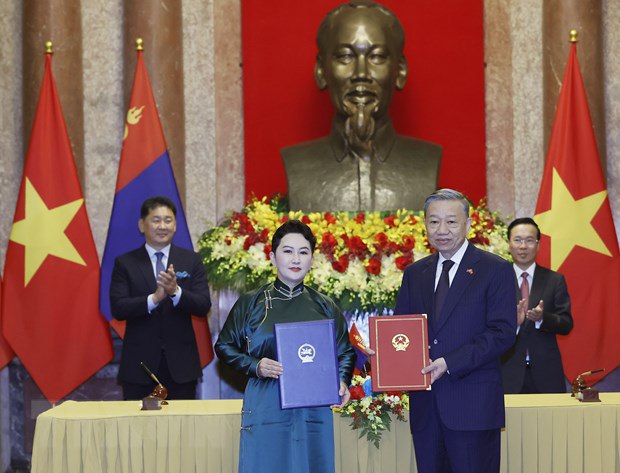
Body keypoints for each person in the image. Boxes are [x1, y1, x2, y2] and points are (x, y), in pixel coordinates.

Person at [215, 220, 355, 473]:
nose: (296, 259)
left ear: (312, 259)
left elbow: (344, 351)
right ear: (272, 257)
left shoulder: (325, 305)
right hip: (266, 399)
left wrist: (343, 381)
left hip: (314, 403)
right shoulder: (251, 302)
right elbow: (224, 346)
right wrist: (255, 365)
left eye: (303, 252)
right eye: (288, 251)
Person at [394, 188, 516, 473]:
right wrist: (388, 352)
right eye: (434, 221)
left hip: (472, 407)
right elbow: (402, 328)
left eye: (451, 221)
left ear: (468, 224)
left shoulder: (494, 269)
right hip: (426, 409)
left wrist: (449, 362)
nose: (442, 230)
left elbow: (502, 333)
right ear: (425, 225)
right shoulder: (415, 273)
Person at [282, 0, 441, 212]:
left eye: (377, 56)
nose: (361, 74)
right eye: (345, 56)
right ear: (321, 71)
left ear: (400, 71)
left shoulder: (427, 160)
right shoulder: (298, 164)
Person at [110, 196, 211, 400]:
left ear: (175, 225)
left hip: (181, 368)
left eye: (168, 220)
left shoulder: (191, 260)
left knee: (182, 421)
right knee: (137, 421)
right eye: (156, 220)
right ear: (142, 225)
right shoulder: (125, 262)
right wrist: (154, 299)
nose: (162, 226)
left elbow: (203, 305)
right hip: (139, 367)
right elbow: (118, 307)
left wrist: (175, 292)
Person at [501, 217, 573, 393]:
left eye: (529, 240)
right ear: (509, 244)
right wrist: (513, 323)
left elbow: (566, 324)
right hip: (507, 370)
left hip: (546, 372)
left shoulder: (554, 280)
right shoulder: (497, 280)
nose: (523, 246)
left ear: (538, 245)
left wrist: (542, 318)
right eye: (517, 240)